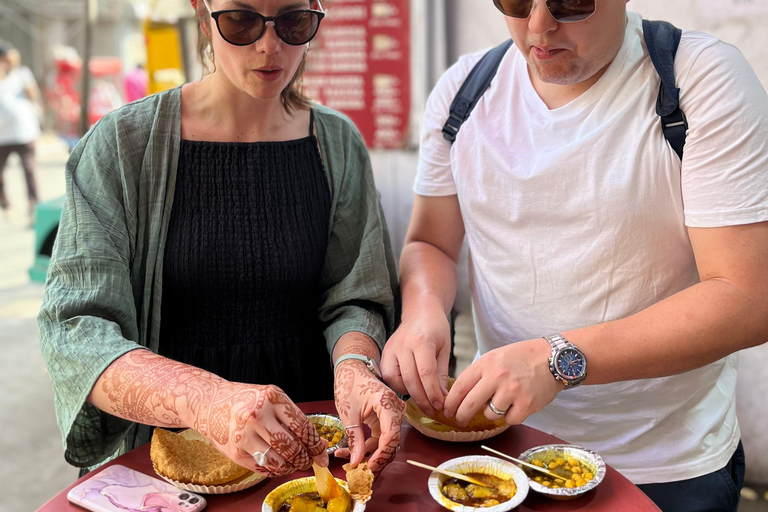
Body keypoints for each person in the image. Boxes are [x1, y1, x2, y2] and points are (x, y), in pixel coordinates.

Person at [381, 1, 768, 511]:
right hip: (505, 448)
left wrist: (557, 358)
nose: (539, 25)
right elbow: (431, 242)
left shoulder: (699, 79)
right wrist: (423, 312)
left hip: (663, 466)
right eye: (517, 2)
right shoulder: (463, 90)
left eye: (571, 2)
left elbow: (747, 297)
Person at [39, 0, 403, 480]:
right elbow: (75, 332)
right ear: (202, 11)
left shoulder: (335, 143)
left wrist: (355, 363)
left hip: (314, 449)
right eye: (241, 21)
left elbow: (356, 294)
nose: (269, 45)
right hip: (175, 459)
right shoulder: (124, 145)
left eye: (294, 22)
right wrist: (205, 400)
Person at [0, 43, 41, 214]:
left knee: (29, 170)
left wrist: (26, 84)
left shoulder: (23, 74)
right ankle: (4, 201)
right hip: (2, 135)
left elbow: (33, 96)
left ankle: (34, 204)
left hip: (24, 132)